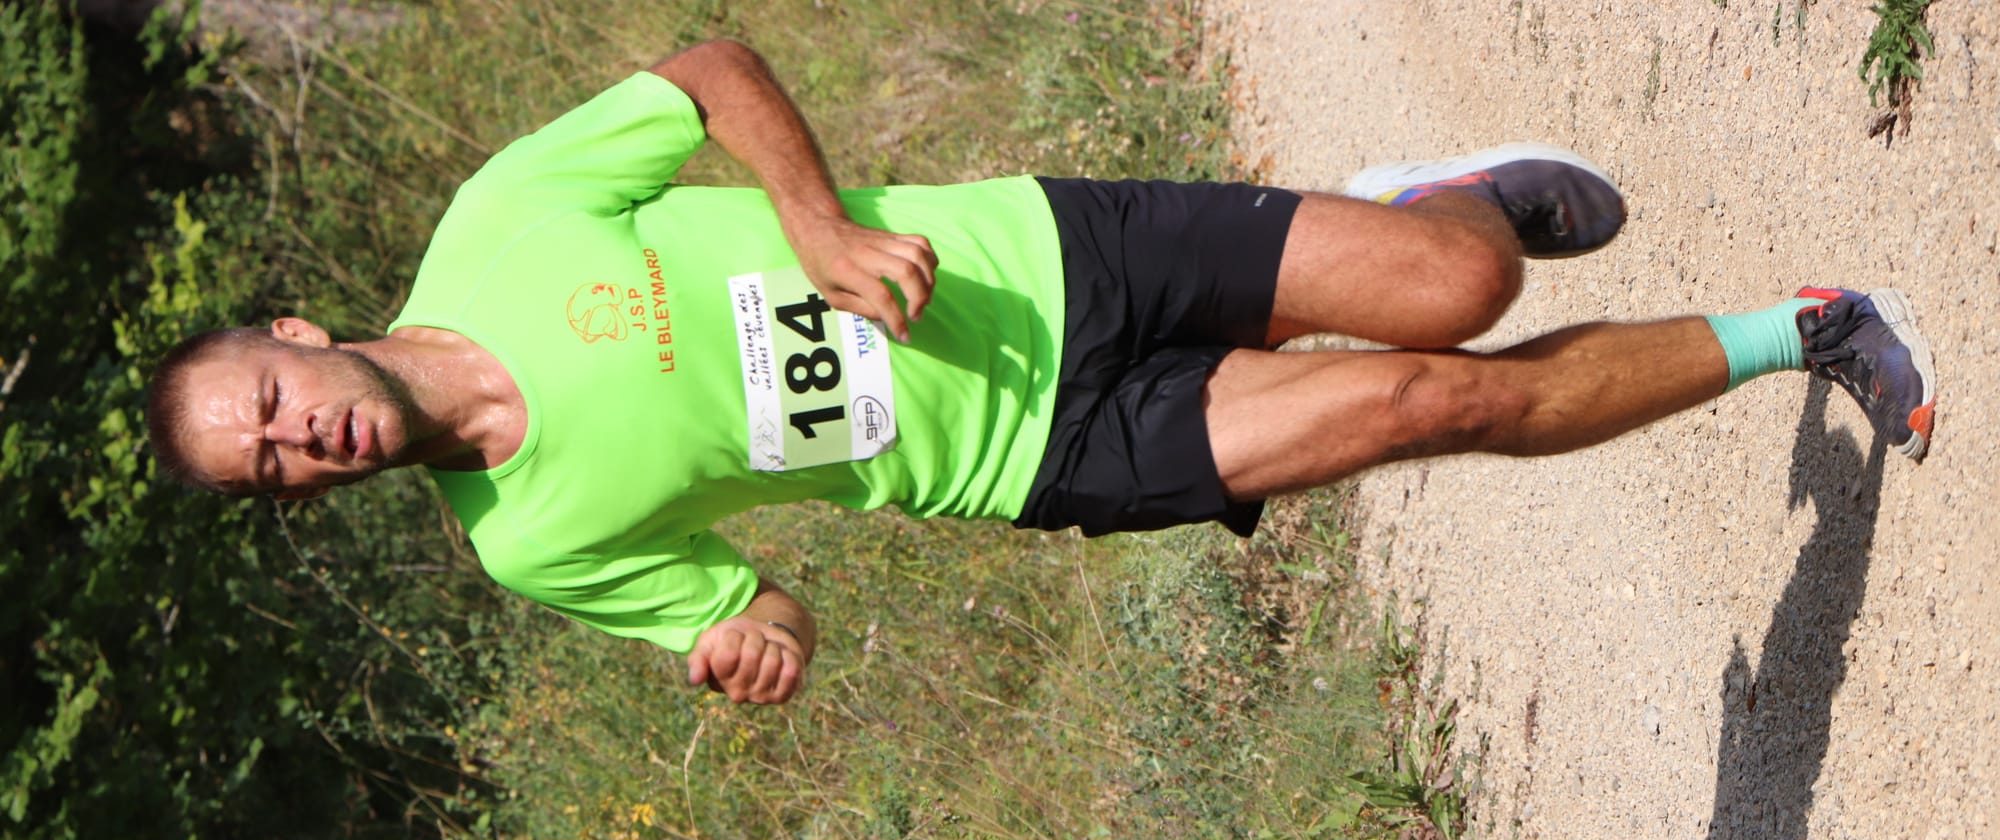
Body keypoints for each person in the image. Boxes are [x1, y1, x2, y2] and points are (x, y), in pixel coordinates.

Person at [143, 39, 1939, 706]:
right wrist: (761, 636)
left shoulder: (496, 225)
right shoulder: (522, 545)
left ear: (293, 339)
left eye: (270, 406)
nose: (297, 440)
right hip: (1036, 450)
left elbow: (704, 70)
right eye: (270, 469)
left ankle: (1433, 208)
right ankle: (1819, 323)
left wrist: (823, 229)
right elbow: (744, 596)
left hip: (1041, 254)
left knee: (1460, 292)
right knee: (1430, 405)